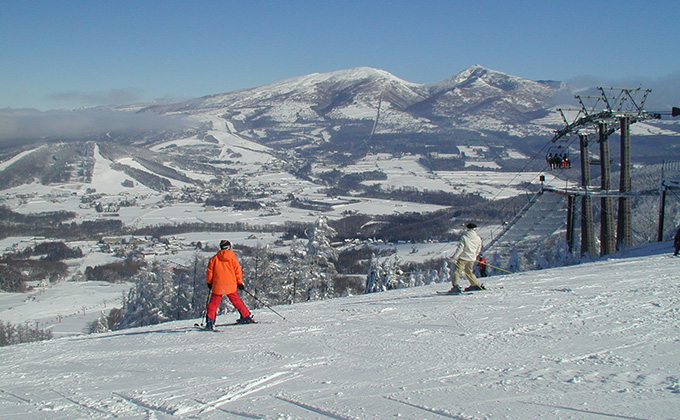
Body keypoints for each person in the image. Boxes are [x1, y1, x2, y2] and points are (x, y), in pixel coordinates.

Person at [204, 240, 253, 329]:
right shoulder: (233, 258)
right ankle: (246, 316)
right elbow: (238, 272)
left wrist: (209, 282)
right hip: (231, 285)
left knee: (213, 303)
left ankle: (210, 321)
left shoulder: (214, 259)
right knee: (237, 301)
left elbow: (209, 272)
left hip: (218, 285)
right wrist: (240, 283)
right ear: (229, 247)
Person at [448, 223, 484, 294]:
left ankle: (456, 286)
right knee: (469, 272)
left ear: (467, 228)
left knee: (457, 272)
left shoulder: (464, 237)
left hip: (463, 258)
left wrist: (454, 257)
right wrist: (474, 256)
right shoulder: (478, 238)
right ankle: (475, 285)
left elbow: (460, 249)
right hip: (471, 258)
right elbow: (478, 249)